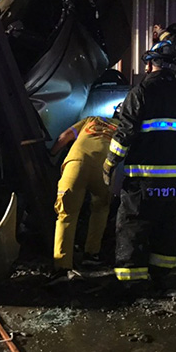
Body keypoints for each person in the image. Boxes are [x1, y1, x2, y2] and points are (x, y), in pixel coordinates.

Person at [103, 40, 176, 286]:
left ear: (149, 65)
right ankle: (162, 278)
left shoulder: (141, 93)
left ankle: (132, 281)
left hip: (144, 180)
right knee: (167, 226)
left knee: (133, 226)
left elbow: (125, 133)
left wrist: (110, 162)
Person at [50, 114, 120, 276]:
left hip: (77, 163)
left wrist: (51, 154)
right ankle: (91, 254)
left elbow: (65, 137)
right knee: (101, 209)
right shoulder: (121, 128)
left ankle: (62, 266)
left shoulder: (91, 120)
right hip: (104, 168)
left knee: (66, 214)